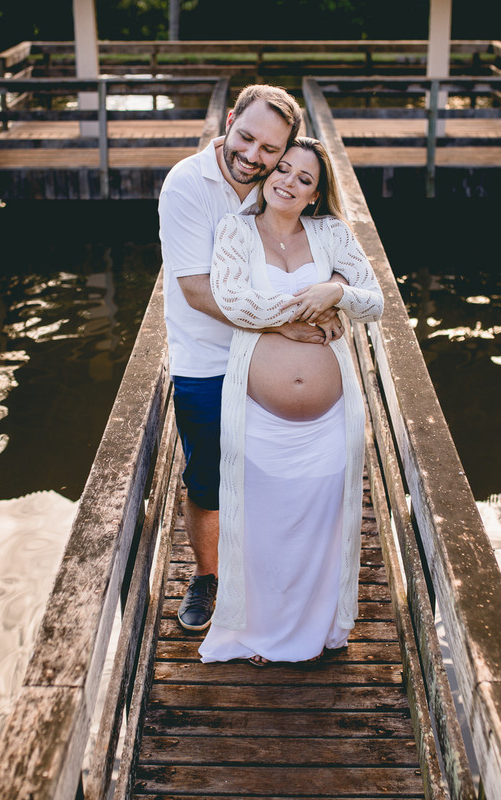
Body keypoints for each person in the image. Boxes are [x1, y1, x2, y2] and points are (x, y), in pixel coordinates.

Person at [198, 137, 384, 665]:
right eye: (283, 169)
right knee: (263, 527)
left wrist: (338, 293)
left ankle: (315, 627)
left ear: (316, 195)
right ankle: (261, 631)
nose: (288, 181)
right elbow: (232, 298)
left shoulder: (332, 234)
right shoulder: (235, 230)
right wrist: (303, 310)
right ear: (267, 174)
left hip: (329, 420)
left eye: (305, 178)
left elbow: (375, 301)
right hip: (258, 418)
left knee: (319, 525)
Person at [160, 84, 338, 631]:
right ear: (230, 121)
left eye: (270, 151)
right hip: (207, 360)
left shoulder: (277, 184)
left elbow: (324, 240)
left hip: (267, 358)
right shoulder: (189, 185)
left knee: (271, 477)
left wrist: (331, 288)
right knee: (209, 478)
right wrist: (288, 320)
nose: (254, 157)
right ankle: (208, 576)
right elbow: (195, 290)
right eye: (246, 138)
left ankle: (271, 579)